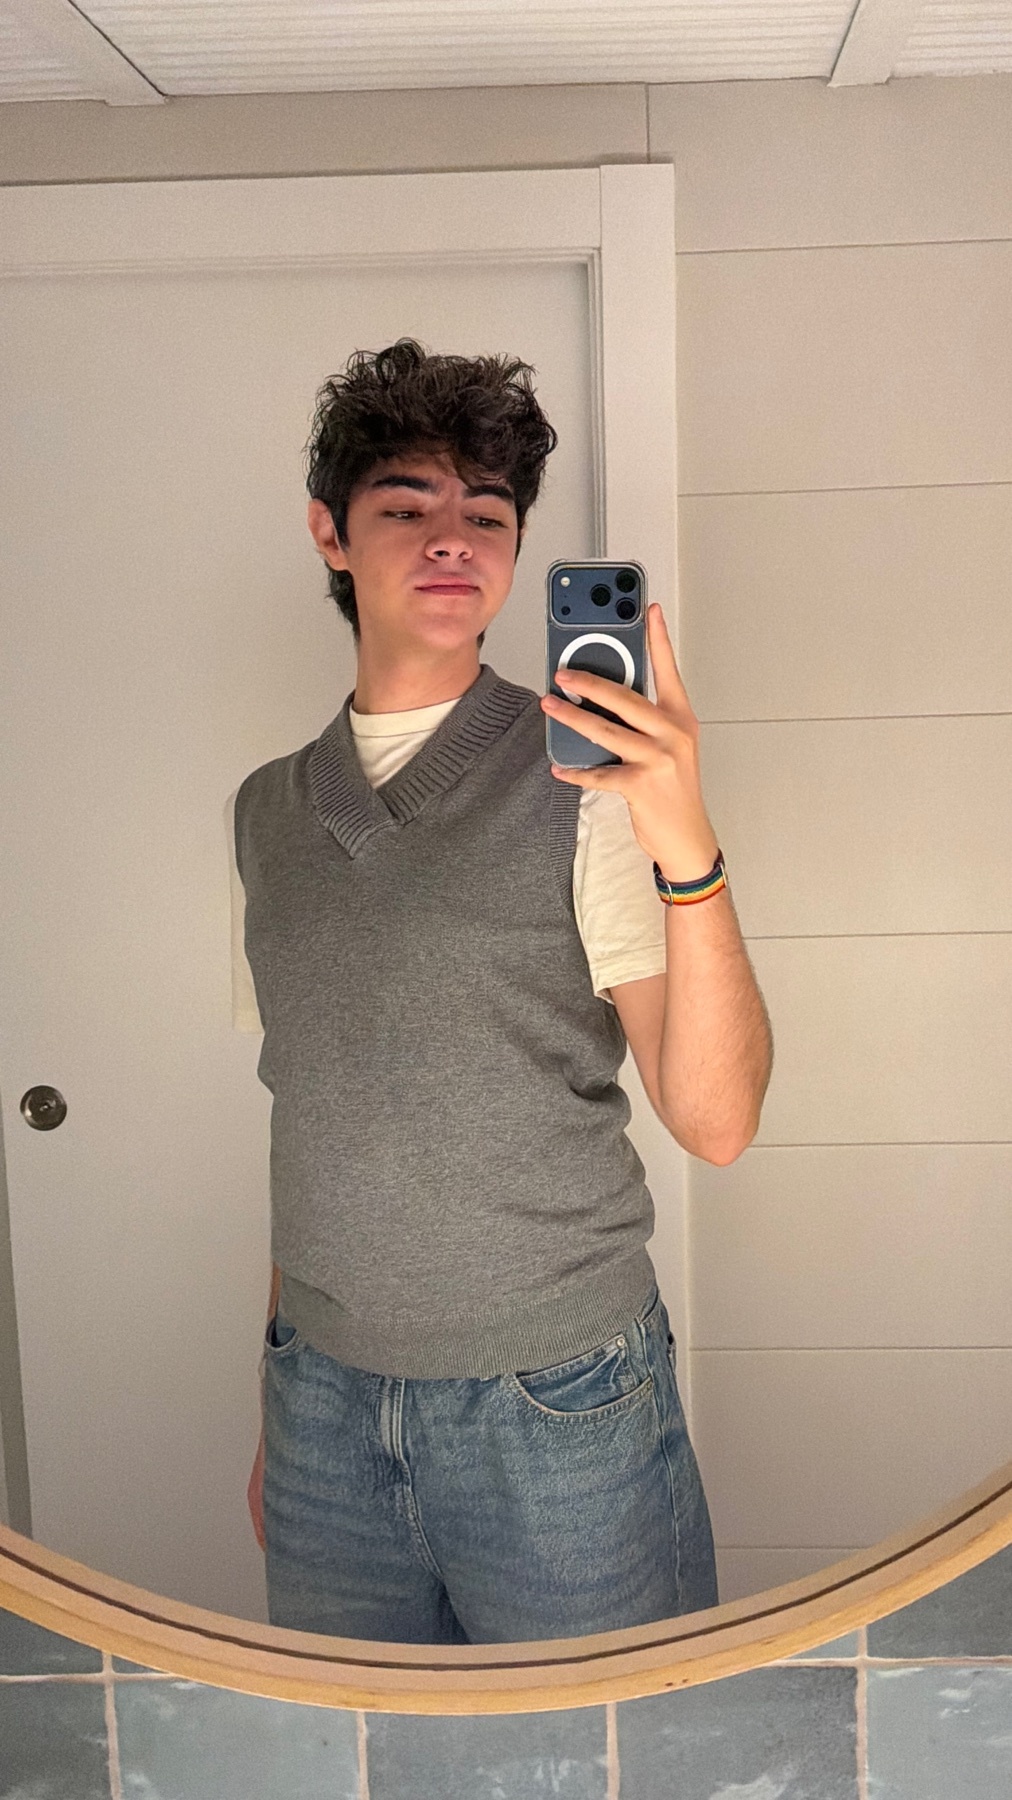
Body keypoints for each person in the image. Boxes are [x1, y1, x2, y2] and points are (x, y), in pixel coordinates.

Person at [229, 338, 773, 1646]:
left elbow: (716, 1121)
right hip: (322, 1408)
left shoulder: (586, 786)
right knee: (364, 1743)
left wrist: (685, 838)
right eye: (405, 506)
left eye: (487, 514)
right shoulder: (264, 814)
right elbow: (312, 1109)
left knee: (608, 1741)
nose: (452, 540)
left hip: (556, 1403)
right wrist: (277, 1411)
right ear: (329, 532)